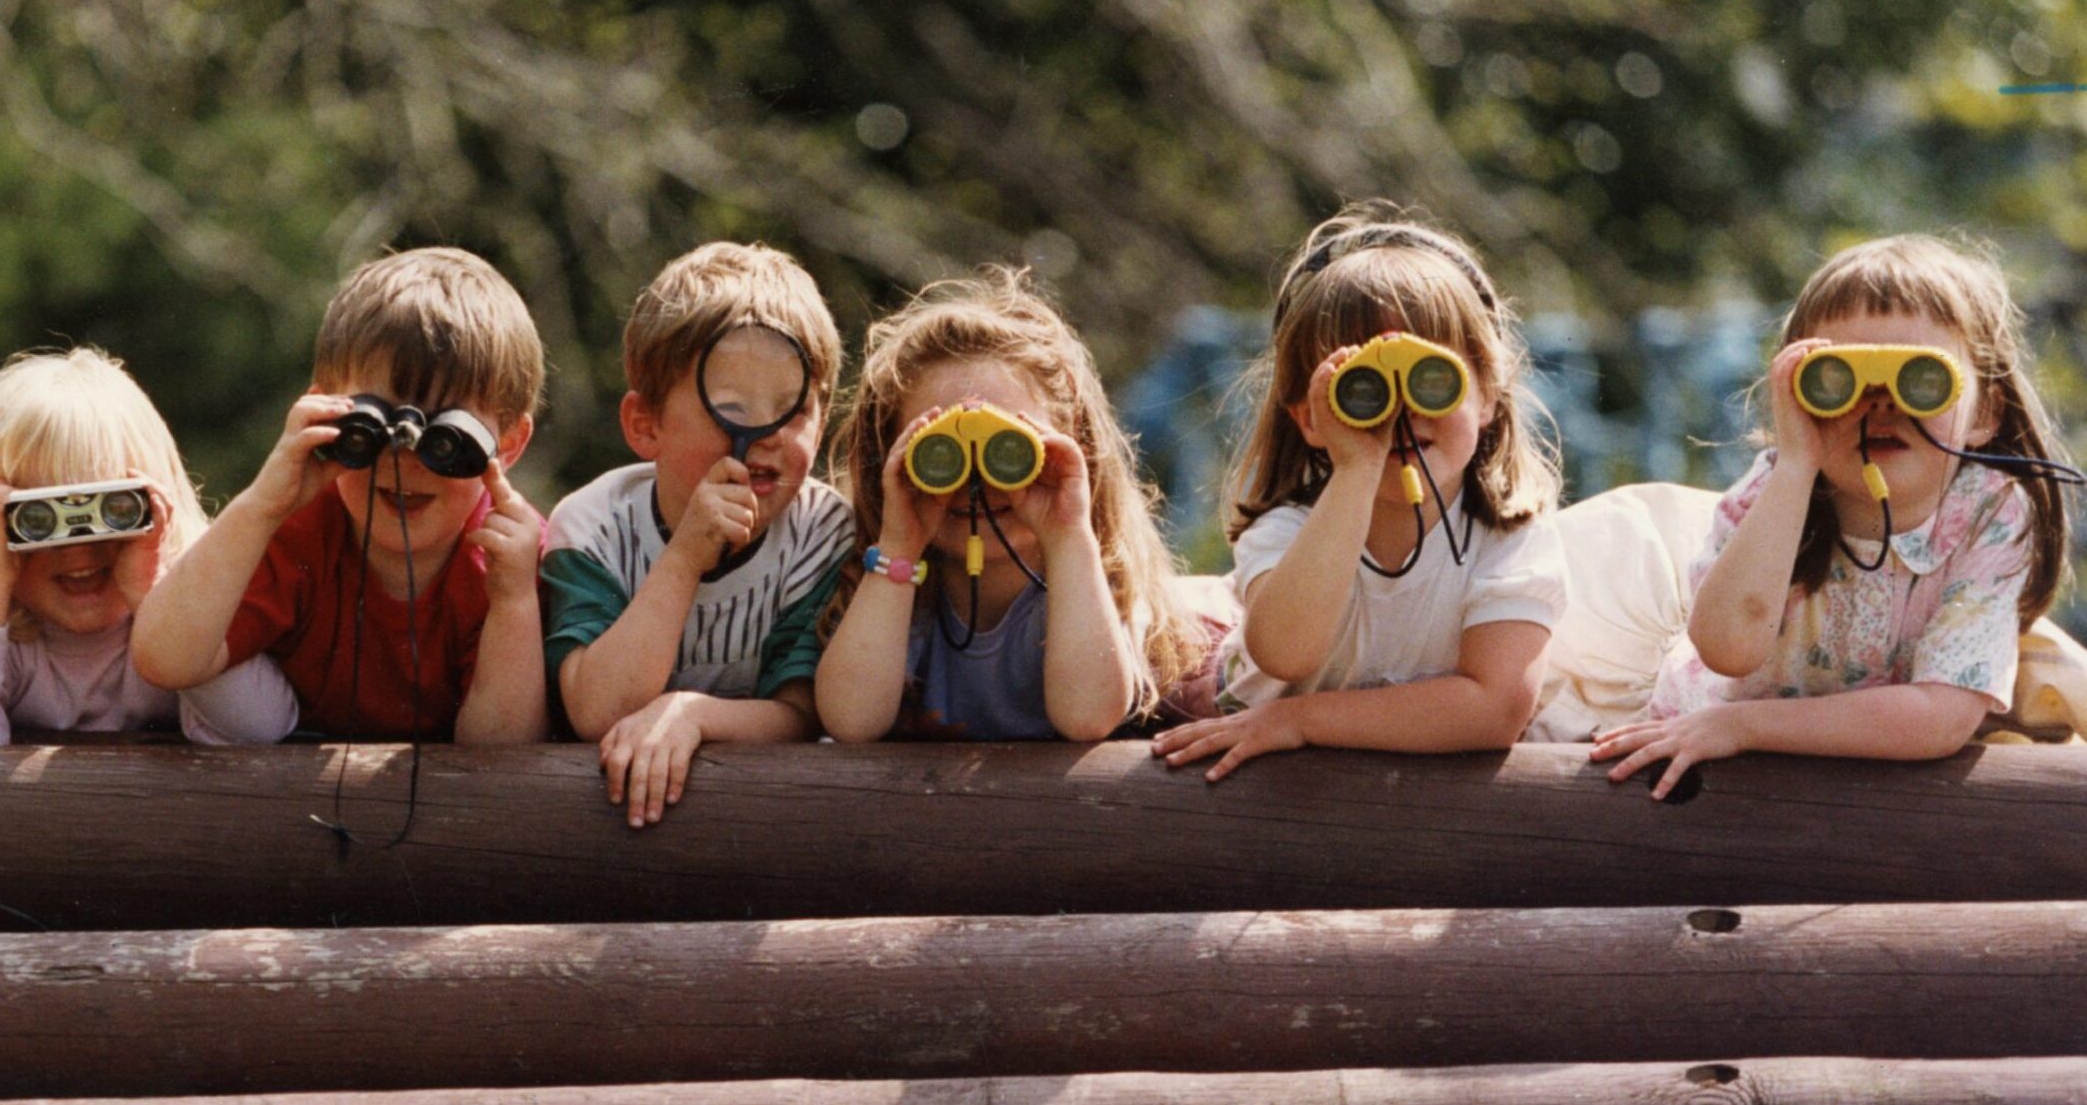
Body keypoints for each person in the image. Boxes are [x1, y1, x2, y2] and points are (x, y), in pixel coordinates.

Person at [1593, 234, 2077, 801]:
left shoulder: (1990, 511)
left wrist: (1747, 728)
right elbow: (1726, 650)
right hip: (1720, 752)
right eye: (1839, 379)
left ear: (1985, 411)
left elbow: (1943, 715)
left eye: (1921, 379)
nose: (1880, 403)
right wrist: (1797, 466)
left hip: (1810, 747)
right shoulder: (1777, 486)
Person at [1150, 206, 1566, 782]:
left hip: (1302, 733)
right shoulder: (1289, 531)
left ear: (1490, 394)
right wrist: (1355, 469)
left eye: (1432, 379)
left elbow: (1494, 709)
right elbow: (1287, 657)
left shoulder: (1513, 541)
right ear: (1310, 417)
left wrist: (1299, 721)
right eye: (1363, 388)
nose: (1400, 407)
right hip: (1228, 708)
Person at [129, 247, 547, 744]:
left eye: (446, 439)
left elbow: (498, 753)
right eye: (373, 424)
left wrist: (514, 602)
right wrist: (262, 504)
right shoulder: (298, 528)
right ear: (323, 411)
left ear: (510, 443)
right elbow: (165, 659)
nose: (404, 457)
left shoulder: (511, 560)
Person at [815, 267, 1211, 744]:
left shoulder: (1093, 588)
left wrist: (1067, 534)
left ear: (1074, 452)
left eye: (1011, 451)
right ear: (891, 462)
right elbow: (850, 723)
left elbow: (1088, 718)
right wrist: (899, 543)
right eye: (940, 453)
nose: (976, 482)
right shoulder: (901, 597)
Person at [541, 242, 853, 827]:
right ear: (645, 424)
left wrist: (690, 714)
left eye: (794, 409)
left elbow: (803, 714)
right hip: (599, 821)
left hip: (767, 818)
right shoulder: (590, 528)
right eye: (730, 407)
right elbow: (596, 711)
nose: (765, 435)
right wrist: (684, 557)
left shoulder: (822, 531)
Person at [0, 347, 298, 745]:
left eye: (115, 510)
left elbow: (258, 729)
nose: (80, 549)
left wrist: (156, 597)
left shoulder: (199, 614)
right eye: (38, 518)